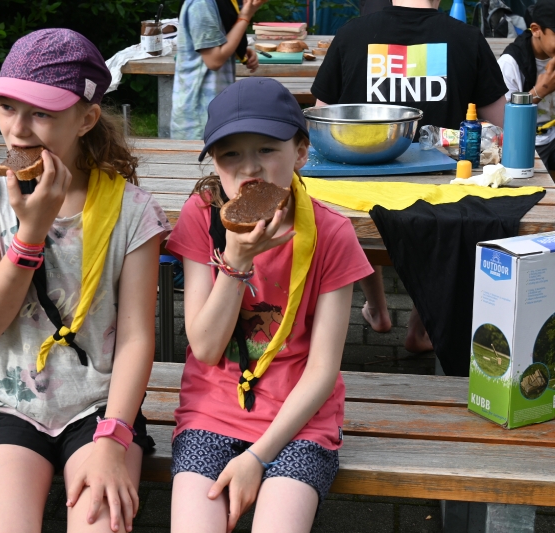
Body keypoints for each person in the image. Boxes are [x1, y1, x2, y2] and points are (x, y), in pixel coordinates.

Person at [0, 29, 171, 533]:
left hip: (101, 408)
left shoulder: (133, 211)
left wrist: (114, 437)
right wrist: (30, 233)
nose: (17, 130)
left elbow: (136, 338)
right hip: (10, 402)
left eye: (41, 113)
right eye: (7, 107)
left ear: (86, 119)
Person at [166, 78, 374, 533]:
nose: (250, 168)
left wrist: (258, 458)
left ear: (300, 152)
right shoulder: (202, 216)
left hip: (299, 424)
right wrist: (236, 262)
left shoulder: (331, 233)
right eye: (231, 155)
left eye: (266, 149)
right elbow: (205, 348)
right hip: (211, 412)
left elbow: (322, 371)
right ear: (215, 163)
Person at [311, 0, 508, 353]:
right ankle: (421, 325)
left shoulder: (352, 33)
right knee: (444, 222)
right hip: (441, 196)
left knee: (355, 206)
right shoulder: (466, 38)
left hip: (358, 191)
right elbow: (502, 126)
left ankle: (377, 308)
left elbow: (323, 121)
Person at [170, 0, 267, 140]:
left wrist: (239, 49)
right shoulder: (201, 4)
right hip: (198, 114)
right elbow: (214, 60)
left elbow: (214, 41)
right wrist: (245, 17)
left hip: (216, 108)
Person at [499, 0, 555, 172]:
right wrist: (540, 91)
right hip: (523, 143)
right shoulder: (510, 63)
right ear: (536, 30)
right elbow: (503, 121)